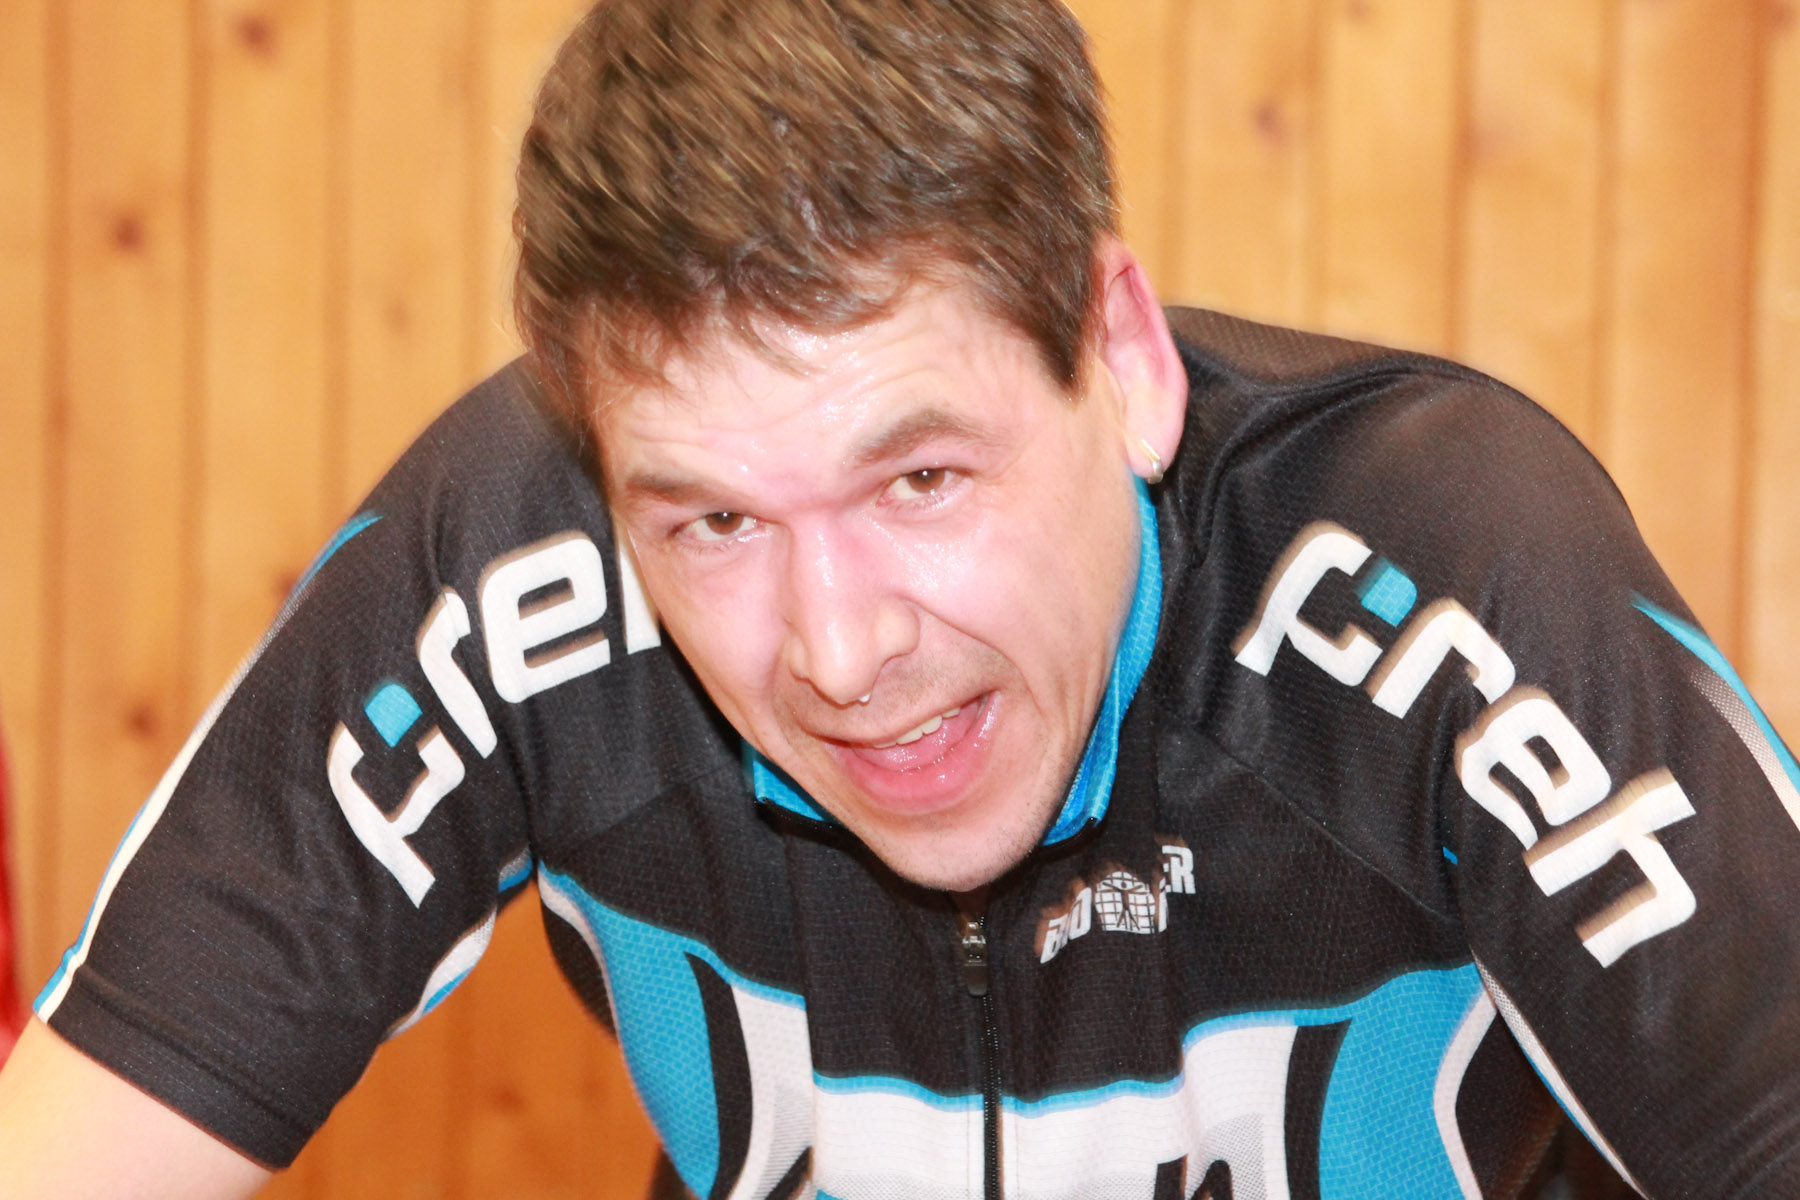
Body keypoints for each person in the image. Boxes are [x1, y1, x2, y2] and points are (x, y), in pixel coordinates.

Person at [2, 0, 1797, 1196]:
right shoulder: (517, 553)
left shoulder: (1444, 571)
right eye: (714, 521)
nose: (842, 651)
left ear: (1123, 357)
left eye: (920, 481)